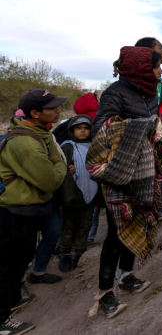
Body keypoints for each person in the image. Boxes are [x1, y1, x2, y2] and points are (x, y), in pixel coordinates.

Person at [88, 46, 162, 319]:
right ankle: (105, 293)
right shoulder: (115, 93)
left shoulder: (147, 92)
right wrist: (140, 127)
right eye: (156, 67)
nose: (160, 71)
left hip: (143, 172)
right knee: (115, 234)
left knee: (139, 219)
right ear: (143, 69)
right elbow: (100, 131)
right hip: (120, 174)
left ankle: (127, 276)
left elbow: (150, 125)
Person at [0, 89, 67, 335]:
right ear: (35, 113)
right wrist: (59, 164)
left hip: (27, 210)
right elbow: (49, 181)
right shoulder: (25, 142)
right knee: (10, 264)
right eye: (52, 107)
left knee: (18, 261)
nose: (58, 110)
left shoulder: (40, 132)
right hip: (16, 213)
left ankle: (12, 300)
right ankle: (2, 321)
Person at [56, 115, 102, 273]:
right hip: (71, 194)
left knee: (85, 225)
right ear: (72, 130)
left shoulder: (94, 146)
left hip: (89, 193)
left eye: (86, 128)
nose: (83, 131)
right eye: (78, 128)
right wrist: (70, 171)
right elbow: (60, 170)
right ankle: (66, 254)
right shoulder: (67, 147)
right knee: (68, 226)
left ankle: (80, 252)